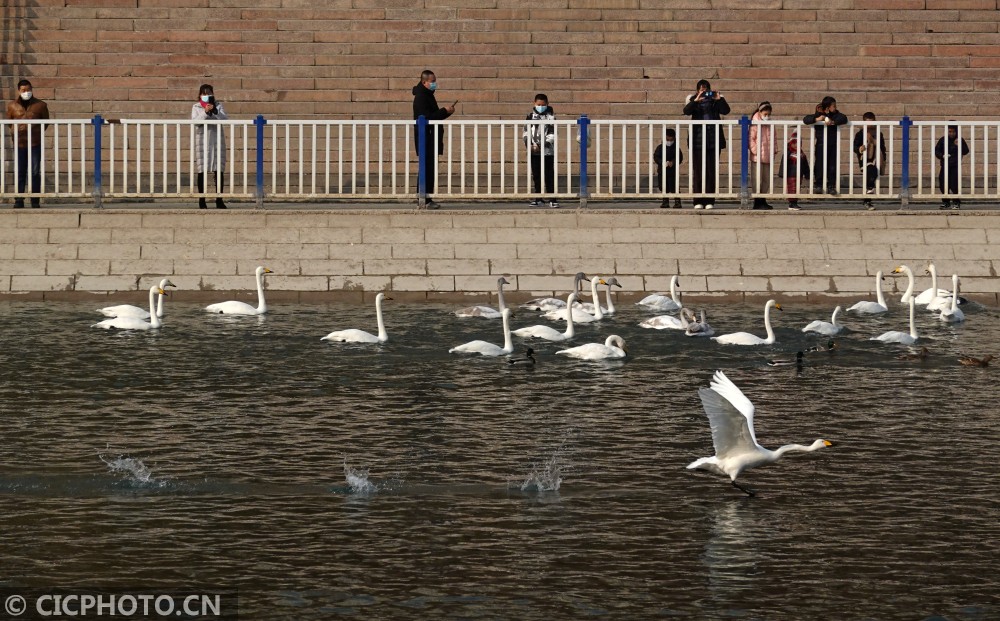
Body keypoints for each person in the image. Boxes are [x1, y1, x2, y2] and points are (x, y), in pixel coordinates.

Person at [683, 79, 730, 209]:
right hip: (697, 141)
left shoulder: (716, 100)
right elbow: (686, 111)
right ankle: (698, 200)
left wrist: (719, 99)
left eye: (706, 90)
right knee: (698, 171)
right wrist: (696, 100)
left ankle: (709, 200)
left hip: (713, 141)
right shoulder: (692, 99)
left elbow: (726, 111)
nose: (704, 92)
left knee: (711, 171)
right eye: (701, 90)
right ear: (697, 90)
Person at [412, 70, 455, 210]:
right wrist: (444, 111)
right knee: (426, 168)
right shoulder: (421, 97)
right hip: (426, 137)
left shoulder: (427, 95)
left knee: (429, 168)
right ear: (424, 82)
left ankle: (424, 197)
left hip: (430, 137)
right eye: (432, 81)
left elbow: (433, 116)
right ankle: (424, 198)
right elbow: (427, 117)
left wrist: (446, 113)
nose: (434, 84)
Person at [6, 79, 50, 208]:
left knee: (35, 172)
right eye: (24, 90)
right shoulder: (12, 106)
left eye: (29, 89)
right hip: (20, 144)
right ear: (19, 91)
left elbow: (45, 123)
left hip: (35, 143)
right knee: (20, 171)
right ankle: (19, 200)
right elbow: (10, 123)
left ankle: (35, 200)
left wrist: (35, 133)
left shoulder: (41, 105)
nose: (27, 92)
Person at [191, 84, 228, 209]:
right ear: (200, 95)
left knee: (219, 170)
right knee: (202, 170)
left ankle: (219, 199)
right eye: (204, 93)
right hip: (202, 140)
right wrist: (206, 112)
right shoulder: (196, 107)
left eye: (209, 93)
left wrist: (215, 111)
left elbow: (225, 119)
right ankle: (202, 200)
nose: (206, 96)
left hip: (217, 140)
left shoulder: (218, 105)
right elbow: (195, 122)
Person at [803, 96, 847, 195]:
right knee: (819, 164)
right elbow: (806, 119)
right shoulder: (819, 113)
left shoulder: (835, 114)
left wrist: (833, 121)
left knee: (832, 165)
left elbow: (844, 118)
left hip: (832, 144)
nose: (835, 108)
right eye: (833, 106)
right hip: (821, 143)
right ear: (827, 107)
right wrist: (818, 119)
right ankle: (818, 185)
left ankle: (831, 185)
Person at [523, 94, 558, 208]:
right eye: (538, 105)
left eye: (543, 105)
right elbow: (525, 133)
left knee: (549, 175)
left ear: (547, 104)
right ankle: (538, 198)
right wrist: (530, 145)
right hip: (534, 152)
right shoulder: (529, 117)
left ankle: (552, 199)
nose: (541, 107)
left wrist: (540, 145)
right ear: (534, 103)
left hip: (548, 152)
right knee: (536, 175)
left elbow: (552, 134)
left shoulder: (551, 118)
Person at [853, 111, 887, 211]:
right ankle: (868, 196)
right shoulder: (860, 133)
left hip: (876, 158)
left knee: (872, 174)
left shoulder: (878, 133)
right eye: (867, 123)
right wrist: (860, 149)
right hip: (865, 159)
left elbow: (883, 147)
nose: (870, 125)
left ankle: (867, 198)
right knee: (870, 172)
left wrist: (883, 159)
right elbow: (855, 146)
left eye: (872, 122)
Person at [935, 123, 970, 210]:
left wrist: (959, 145)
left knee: (954, 185)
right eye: (950, 131)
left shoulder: (960, 140)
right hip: (945, 165)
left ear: (956, 132)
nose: (951, 133)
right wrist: (942, 155)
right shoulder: (943, 140)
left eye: (953, 132)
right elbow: (937, 150)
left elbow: (966, 151)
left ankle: (956, 202)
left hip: (955, 165)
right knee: (943, 184)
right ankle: (946, 202)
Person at [748, 102, 776, 210]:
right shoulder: (754, 123)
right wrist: (756, 151)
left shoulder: (770, 124)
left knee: (766, 179)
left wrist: (774, 150)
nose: (767, 117)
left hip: (768, 156)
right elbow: (751, 139)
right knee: (756, 179)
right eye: (765, 114)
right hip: (757, 157)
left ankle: (763, 200)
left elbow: (774, 137)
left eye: (769, 114)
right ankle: (757, 201)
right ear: (759, 112)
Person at [653, 128, 683, 208]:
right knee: (663, 187)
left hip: (672, 172)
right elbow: (656, 157)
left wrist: (673, 162)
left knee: (674, 187)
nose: (669, 141)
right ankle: (665, 201)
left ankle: (677, 202)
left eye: (671, 140)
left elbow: (679, 157)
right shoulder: (660, 147)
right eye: (667, 139)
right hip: (662, 171)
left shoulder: (676, 148)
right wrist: (662, 162)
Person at [783, 131, 809, 211]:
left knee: (797, 188)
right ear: (790, 143)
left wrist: (807, 174)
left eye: (798, 143)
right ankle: (791, 203)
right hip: (790, 174)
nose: (796, 145)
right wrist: (782, 173)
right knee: (792, 189)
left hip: (799, 175)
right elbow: (783, 163)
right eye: (794, 143)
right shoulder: (788, 153)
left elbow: (805, 164)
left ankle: (795, 202)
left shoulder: (801, 154)